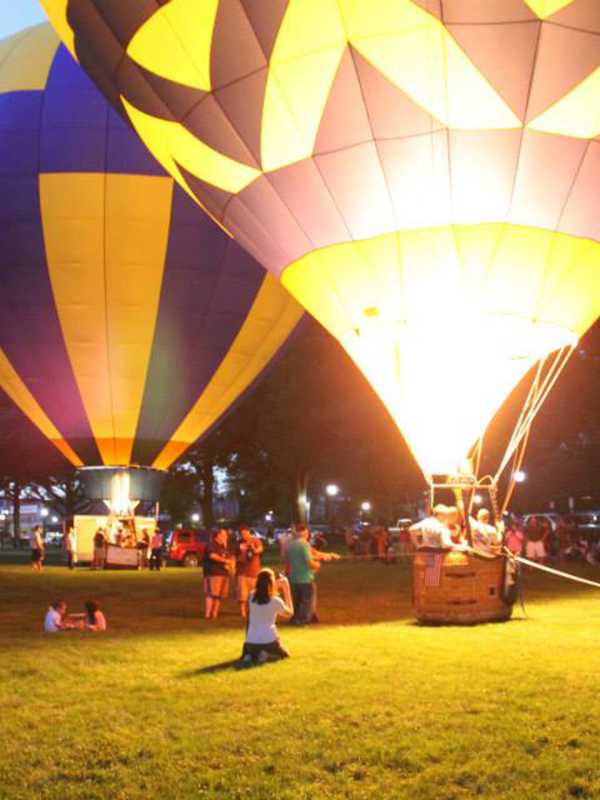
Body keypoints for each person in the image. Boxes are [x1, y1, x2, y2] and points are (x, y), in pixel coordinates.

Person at [241, 569, 293, 665]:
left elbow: (263, 591)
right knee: (285, 654)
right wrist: (286, 589)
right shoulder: (276, 601)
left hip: (251, 642)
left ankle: (250, 655)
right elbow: (290, 613)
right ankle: (267, 655)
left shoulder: (251, 596)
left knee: (254, 649)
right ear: (271, 583)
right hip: (269, 640)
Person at [287, 525, 320, 626]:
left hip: (294, 577)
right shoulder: (304, 545)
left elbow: (287, 561)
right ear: (306, 533)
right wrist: (317, 565)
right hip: (305, 577)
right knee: (306, 601)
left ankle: (295, 618)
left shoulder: (291, 545)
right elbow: (309, 562)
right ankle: (303, 620)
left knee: (296, 600)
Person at [203, 528, 235, 620]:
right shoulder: (211, 545)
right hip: (213, 573)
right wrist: (226, 561)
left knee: (218, 595)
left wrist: (231, 564)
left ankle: (215, 614)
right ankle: (208, 614)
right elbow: (213, 556)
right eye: (224, 535)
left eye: (226, 535)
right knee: (211, 594)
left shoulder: (224, 547)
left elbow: (230, 557)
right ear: (218, 536)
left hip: (224, 573)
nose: (226, 537)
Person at [235, 526, 264, 619]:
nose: (244, 536)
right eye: (242, 534)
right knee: (242, 594)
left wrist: (253, 549)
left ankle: (253, 610)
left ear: (249, 532)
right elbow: (234, 554)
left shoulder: (255, 541)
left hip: (254, 571)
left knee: (254, 592)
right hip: (242, 571)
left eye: (245, 533)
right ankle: (243, 611)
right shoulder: (238, 543)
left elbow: (260, 549)